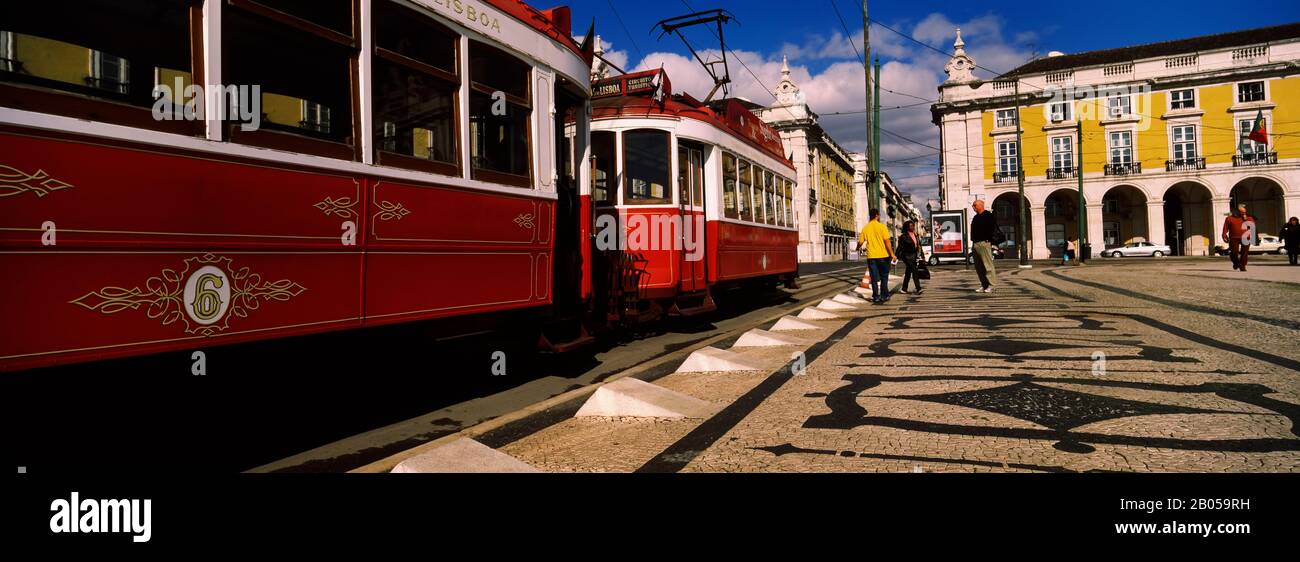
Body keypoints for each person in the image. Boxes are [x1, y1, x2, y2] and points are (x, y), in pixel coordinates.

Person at [857, 208, 896, 303]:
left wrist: (857, 248)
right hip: (884, 256)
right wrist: (892, 254)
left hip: (872, 257)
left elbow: (861, 242)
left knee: (874, 277)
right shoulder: (882, 227)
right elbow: (887, 242)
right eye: (879, 215)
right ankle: (884, 295)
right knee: (884, 276)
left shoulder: (865, 228)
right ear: (877, 215)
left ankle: (876, 296)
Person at [970, 199, 998, 292]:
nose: (973, 207)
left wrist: (988, 239)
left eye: (975, 205)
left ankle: (992, 285)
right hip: (975, 243)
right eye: (973, 205)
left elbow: (992, 228)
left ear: (981, 205)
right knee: (979, 267)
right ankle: (984, 285)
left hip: (984, 243)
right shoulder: (975, 217)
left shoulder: (988, 215)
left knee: (988, 265)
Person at [1222, 204, 1256, 271]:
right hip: (1234, 237)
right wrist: (1224, 234)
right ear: (1237, 211)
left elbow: (1252, 227)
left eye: (1245, 212)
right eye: (1242, 212)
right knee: (1234, 252)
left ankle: (1242, 265)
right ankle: (1236, 263)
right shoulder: (1229, 218)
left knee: (1244, 252)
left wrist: (1246, 220)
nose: (1244, 213)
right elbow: (1225, 227)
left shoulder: (1249, 218)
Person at [896, 220, 924, 294]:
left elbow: (919, 246)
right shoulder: (903, 236)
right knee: (914, 271)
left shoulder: (915, 235)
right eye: (911, 226)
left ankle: (904, 289)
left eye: (913, 225)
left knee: (908, 272)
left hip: (914, 256)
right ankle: (918, 288)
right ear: (907, 227)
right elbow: (899, 247)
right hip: (907, 256)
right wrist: (895, 256)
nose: (913, 227)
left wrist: (922, 255)